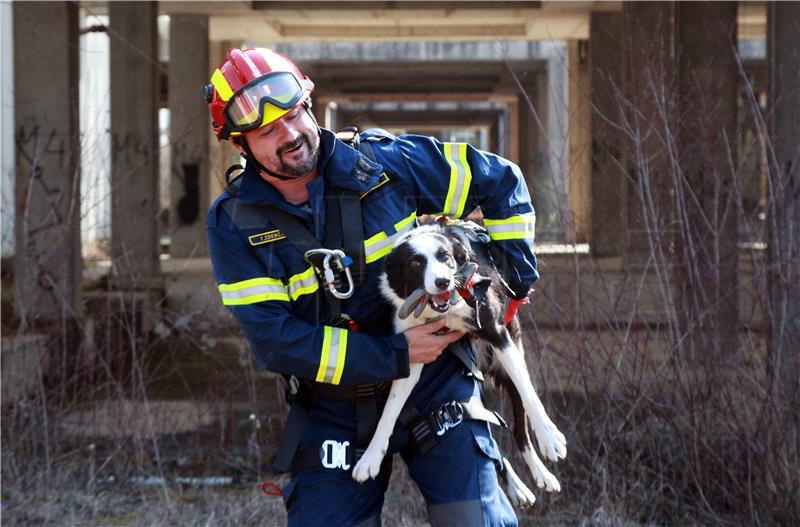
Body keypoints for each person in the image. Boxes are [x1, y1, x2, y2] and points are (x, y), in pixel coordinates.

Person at [205, 47, 539, 527]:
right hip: (333, 407)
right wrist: (394, 353)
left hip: (439, 386)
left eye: (295, 115)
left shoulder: (385, 163)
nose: (291, 135)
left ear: (309, 104)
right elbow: (275, 340)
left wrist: (511, 288)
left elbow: (501, 183)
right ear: (240, 144)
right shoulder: (234, 223)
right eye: (267, 131)